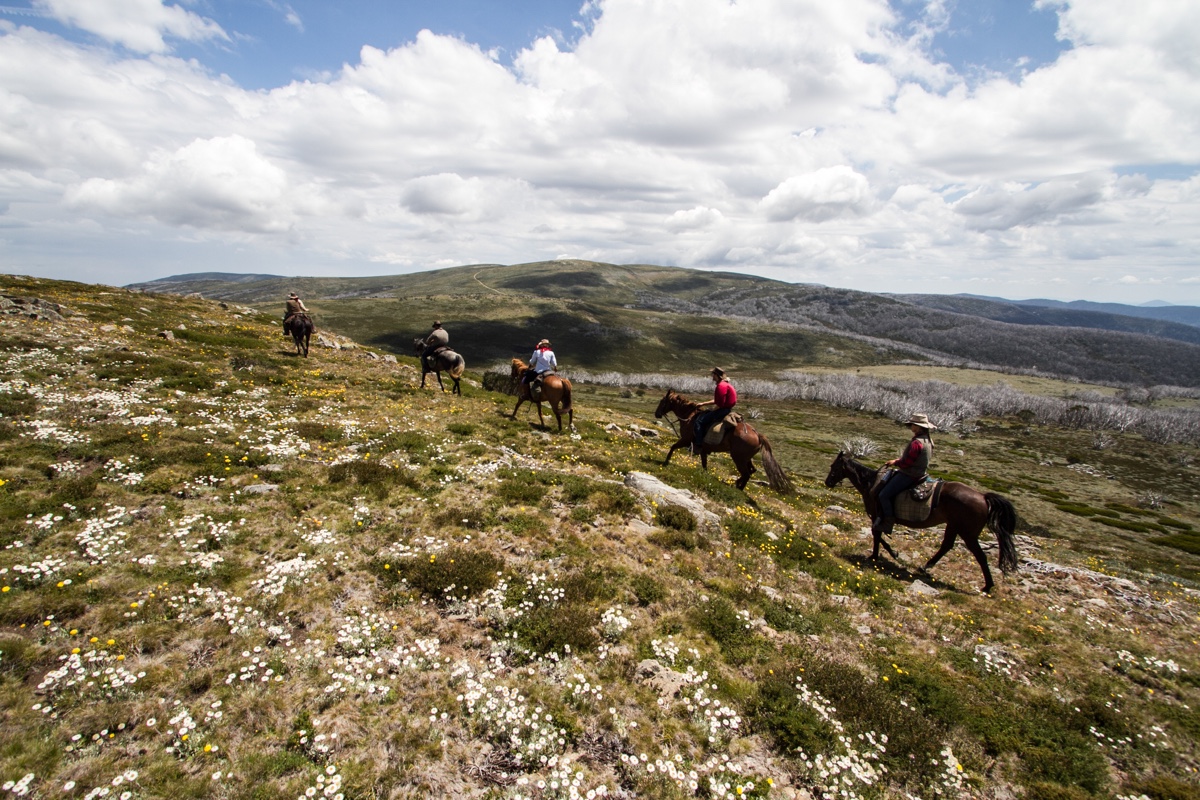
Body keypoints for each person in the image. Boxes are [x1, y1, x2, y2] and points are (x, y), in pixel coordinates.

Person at [874, 413, 936, 536]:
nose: (911, 427)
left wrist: (895, 462)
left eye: (912, 424)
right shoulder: (928, 440)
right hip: (921, 473)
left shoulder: (917, 443)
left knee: (883, 495)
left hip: (910, 474)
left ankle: (888, 522)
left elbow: (907, 463)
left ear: (918, 427)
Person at [692, 367, 737, 452]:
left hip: (722, 410)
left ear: (717, 376)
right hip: (727, 409)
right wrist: (703, 403)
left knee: (699, 421)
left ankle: (699, 445)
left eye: (713, 374)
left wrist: (713, 409)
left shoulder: (721, 386)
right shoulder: (726, 385)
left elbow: (720, 404)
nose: (712, 376)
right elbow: (718, 401)